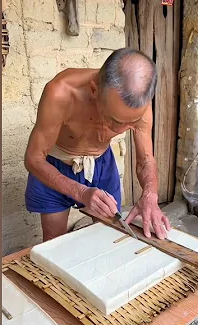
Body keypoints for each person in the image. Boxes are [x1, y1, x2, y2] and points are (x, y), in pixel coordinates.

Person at [23, 47, 172, 242]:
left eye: (130, 123)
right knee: (54, 243)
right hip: (55, 164)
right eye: (113, 119)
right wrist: (81, 192)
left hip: (101, 164)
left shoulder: (140, 103)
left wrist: (150, 195)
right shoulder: (61, 93)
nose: (120, 131)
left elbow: (145, 160)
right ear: (95, 91)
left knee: (111, 236)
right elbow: (33, 159)